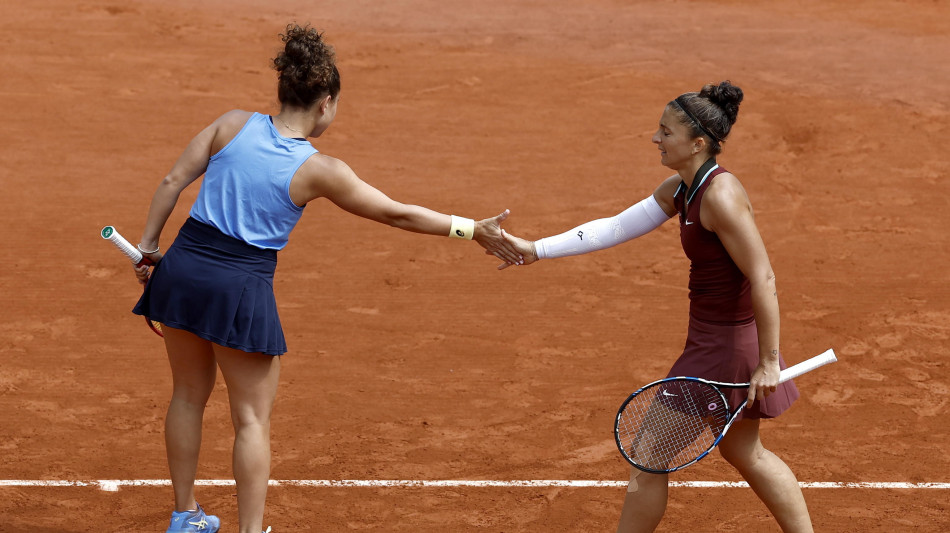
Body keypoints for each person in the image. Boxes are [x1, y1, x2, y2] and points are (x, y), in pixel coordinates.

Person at [130, 24, 522, 533]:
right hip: (239, 287)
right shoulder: (320, 169)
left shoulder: (231, 124)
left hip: (183, 268)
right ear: (326, 102)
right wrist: (471, 229)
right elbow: (396, 213)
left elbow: (171, 181)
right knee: (251, 419)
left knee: (187, 396)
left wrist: (148, 250)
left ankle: (185, 517)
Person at [499, 81, 813, 532]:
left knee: (648, 456)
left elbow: (763, 276)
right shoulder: (682, 188)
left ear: (697, 143)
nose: (655, 138)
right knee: (746, 451)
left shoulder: (720, 198)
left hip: (722, 350)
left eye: (666, 132)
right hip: (718, 340)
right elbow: (615, 227)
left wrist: (767, 362)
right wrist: (537, 249)